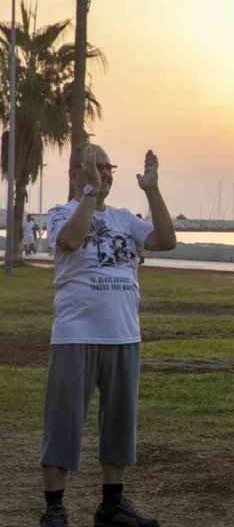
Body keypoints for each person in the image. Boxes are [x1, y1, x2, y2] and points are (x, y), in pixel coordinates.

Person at [39, 143, 176, 527]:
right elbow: (70, 241)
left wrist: (152, 189)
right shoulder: (61, 213)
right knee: (63, 422)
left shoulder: (124, 219)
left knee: (119, 424)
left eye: (108, 167)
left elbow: (166, 240)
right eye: (94, 167)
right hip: (75, 335)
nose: (104, 174)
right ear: (74, 174)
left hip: (123, 336)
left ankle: (111, 505)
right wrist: (89, 193)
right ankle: (54, 507)